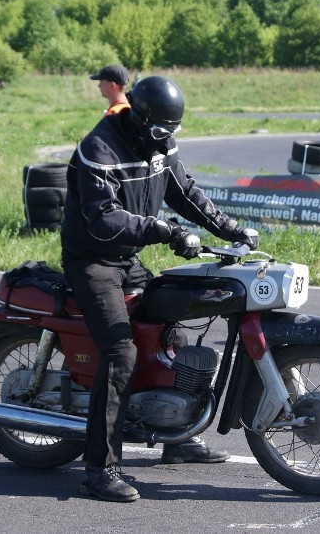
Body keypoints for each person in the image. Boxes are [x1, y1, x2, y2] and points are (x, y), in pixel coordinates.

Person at [61, 75, 259, 502]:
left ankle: (177, 435)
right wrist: (164, 232)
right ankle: (100, 467)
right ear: (138, 117)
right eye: (157, 131)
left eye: (170, 133)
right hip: (93, 261)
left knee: (174, 329)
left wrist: (231, 229)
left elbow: (185, 192)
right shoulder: (100, 148)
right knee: (121, 351)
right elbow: (103, 219)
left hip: (128, 258)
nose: (163, 140)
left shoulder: (159, 145)